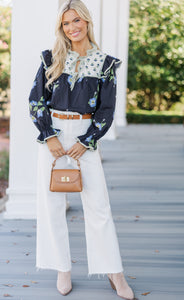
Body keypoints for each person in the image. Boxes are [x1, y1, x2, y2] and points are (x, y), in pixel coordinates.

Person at [28, 0, 135, 299]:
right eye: (66, 23)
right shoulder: (51, 58)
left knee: (98, 205)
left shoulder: (105, 64)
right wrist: (49, 136)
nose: (72, 28)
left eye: (77, 21)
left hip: (84, 138)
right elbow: (36, 100)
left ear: (87, 22)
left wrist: (86, 141)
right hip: (53, 137)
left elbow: (107, 110)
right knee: (51, 205)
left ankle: (115, 273)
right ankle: (63, 268)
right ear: (61, 28)